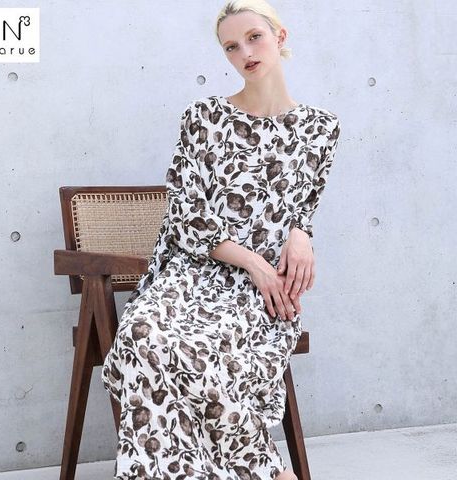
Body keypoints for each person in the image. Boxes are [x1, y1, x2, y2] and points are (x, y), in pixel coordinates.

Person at [101, 0, 341, 478]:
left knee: (202, 351)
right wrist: (254, 262)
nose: (244, 53)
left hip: (258, 293)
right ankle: (267, 470)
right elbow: (187, 215)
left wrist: (301, 233)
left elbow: (304, 203)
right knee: (144, 336)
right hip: (192, 275)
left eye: (254, 38)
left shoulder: (321, 129)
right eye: (231, 46)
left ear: (280, 37)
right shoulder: (204, 117)